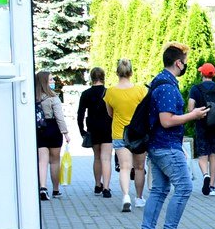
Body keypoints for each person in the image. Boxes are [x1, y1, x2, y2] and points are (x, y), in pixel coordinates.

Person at [136, 43, 210, 229]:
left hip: (157, 145)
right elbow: (166, 120)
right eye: (185, 62)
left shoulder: (159, 81)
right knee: (184, 187)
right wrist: (193, 115)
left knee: (159, 190)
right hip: (167, 145)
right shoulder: (168, 86)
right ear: (178, 63)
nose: (185, 65)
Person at [105, 58, 148, 212]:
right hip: (138, 133)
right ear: (131, 72)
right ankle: (139, 198)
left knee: (124, 167)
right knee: (139, 167)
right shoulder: (141, 90)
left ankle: (125, 196)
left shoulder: (110, 92)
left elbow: (110, 113)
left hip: (119, 133)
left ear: (117, 72)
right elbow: (146, 111)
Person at [187, 63, 215, 196]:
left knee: (202, 154)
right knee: (213, 155)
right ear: (213, 74)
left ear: (202, 74)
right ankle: (212, 186)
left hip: (201, 124)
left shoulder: (195, 89)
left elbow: (190, 108)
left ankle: (205, 175)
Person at [77, 67, 114, 197]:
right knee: (106, 158)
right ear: (103, 77)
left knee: (97, 157)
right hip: (108, 127)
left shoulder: (86, 94)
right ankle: (106, 188)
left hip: (93, 128)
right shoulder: (109, 92)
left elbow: (80, 113)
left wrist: (81, 130)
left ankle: (98, 185)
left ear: (91, 77)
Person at [34, 71, 70, 200]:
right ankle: (56, 190)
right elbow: (59, 117)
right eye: (51, 80)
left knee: (42, 161)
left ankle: (43, 187)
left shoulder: (34, 98)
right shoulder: (54, 98)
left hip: (40, 130)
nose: (53, 82)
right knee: (55, 161)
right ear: (44, 82)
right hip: (54, 129)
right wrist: (65, 133)